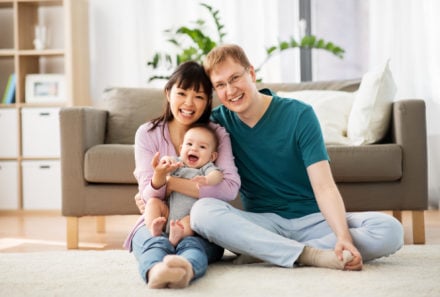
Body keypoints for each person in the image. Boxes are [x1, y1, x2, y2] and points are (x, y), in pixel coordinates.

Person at [186, 44, 404, 271]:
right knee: (203, 212)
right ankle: (309, 254)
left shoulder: (299, 114)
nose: (230, 90)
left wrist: (343, 237)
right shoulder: (216, 124)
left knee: (389, 229)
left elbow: (324, 187)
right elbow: (182, 152)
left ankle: (266, 251)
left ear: (251, 73)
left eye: (235, 78)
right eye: (220, 85)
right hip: (263, 223)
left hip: (314, 221)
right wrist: (153, 194)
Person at [124, 61, 240, 289]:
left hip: (198, 224)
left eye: (198, 96)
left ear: (208, 101)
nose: (189, 103)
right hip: (156, 222)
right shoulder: (147, 134)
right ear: (168, 93)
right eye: (182, 93)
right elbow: (148, 198)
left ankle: (184, 271)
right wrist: (160, 179)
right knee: (153, 243)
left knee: (193, 247)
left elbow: (228, 189)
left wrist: (170, 183)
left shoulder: (216, 135)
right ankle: (156, 271)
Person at [146, 124, 223, 247]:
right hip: (167, 213)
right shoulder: (178, 163)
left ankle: (177, 236)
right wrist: (164, 163)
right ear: (181, 149)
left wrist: (207, 180)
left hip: (189, 216)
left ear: (212, 156)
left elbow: (218, 175)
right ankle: (153, 229)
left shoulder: (205, 167)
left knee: (191, 221)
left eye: (202, 147)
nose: (194, 149)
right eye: (189, 144)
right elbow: (166, 161)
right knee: (153, 202)